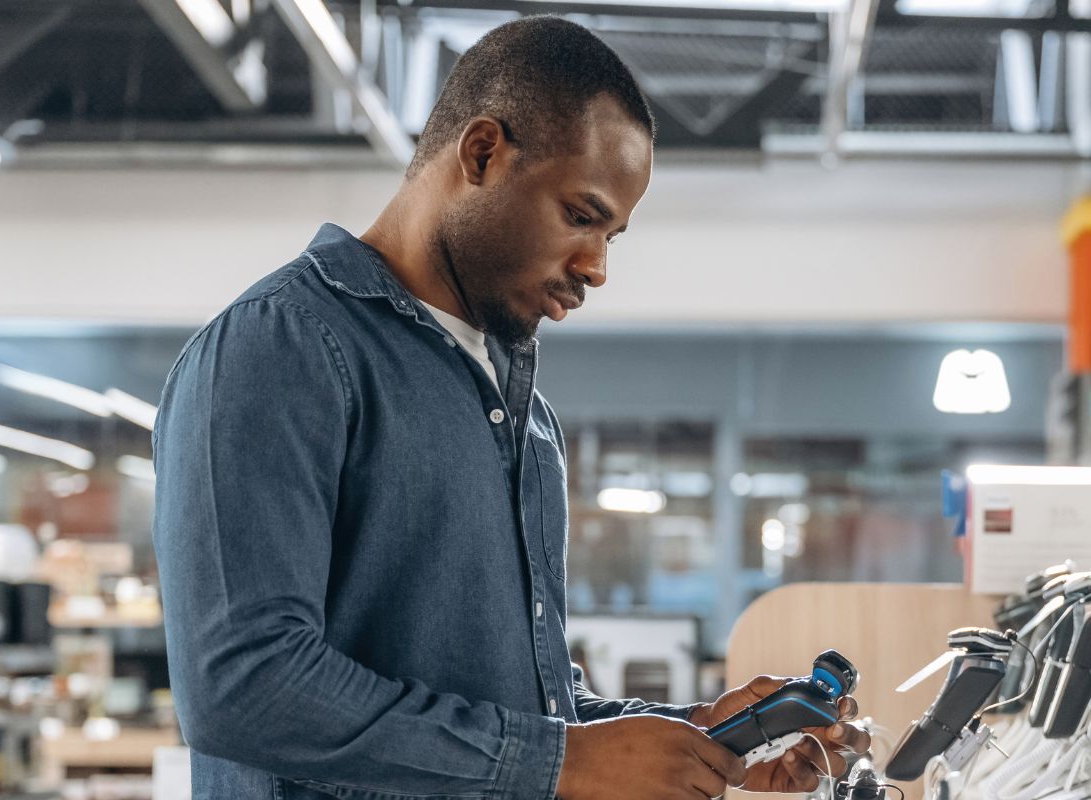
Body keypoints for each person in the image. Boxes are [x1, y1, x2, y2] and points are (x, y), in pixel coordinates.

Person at [152, 15, 870, 800]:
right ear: (483, 153)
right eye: (582, 215)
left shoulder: (524, 419)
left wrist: (695, 739)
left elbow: (525, 711)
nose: (597, 267)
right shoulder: (282, 349)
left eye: (614, 237)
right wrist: (563, 762)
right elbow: (245, 688)